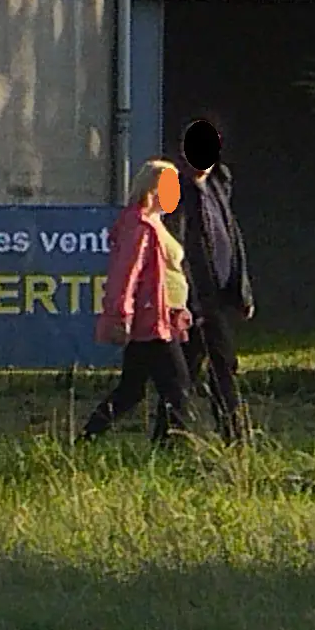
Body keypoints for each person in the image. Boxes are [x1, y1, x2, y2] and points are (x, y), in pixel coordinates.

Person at [78, 158, 194, 445]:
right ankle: (169, 446)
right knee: (177, 385)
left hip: (164, 317)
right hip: (151, 320)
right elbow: (126, 273)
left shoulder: (156, 223)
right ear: (154, 188)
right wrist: (121, 314)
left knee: (132, 390)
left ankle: (88, 437)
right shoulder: (139, 225)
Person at [178, 114, 255, 439]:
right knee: (205, 368)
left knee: (204, 368)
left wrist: (242, 292)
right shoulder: (174, 189)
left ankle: (178, 434)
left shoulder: (219, 184)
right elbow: (175, 243)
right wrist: (184, 298)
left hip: (218, 296)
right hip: (194, 297)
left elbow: (231, 240)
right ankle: (231, 436)